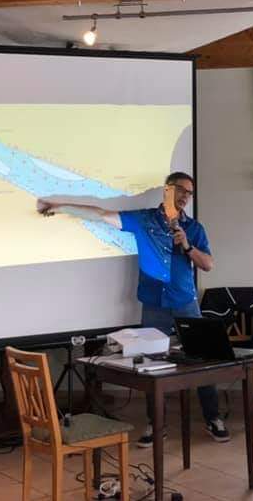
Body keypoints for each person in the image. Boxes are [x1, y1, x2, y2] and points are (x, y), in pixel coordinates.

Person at [37, 172, 230, 447]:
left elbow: (208, 264)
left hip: (185, 301)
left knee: (202, 359)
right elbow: (102, 214)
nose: (186, 197)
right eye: (181, 190)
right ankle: (155, 424)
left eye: (190, 193)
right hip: (154, 304)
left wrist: (187, 246)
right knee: (150, 364)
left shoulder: (194, 228)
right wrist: (61, 206)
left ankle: (213, 417)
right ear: (168, 190)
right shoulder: (144, 220)